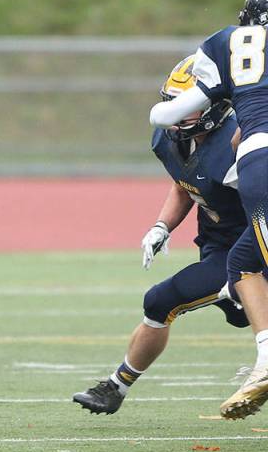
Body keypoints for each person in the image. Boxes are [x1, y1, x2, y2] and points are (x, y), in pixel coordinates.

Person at [74, 57, 247, 414]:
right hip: (217, 245)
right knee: (240, 313)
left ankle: (115, 388)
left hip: (249, 249)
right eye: (171, 101)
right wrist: (162, 226)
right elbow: (186, 183)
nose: (174, 113)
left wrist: (250, 267)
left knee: (160, 300)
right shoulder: (171, 140)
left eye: (186, 106)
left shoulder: (237, 146)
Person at [150, 0, 268, 419]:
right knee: (244, 264)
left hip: (261, 163)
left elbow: (167, 114)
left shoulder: (227, 43)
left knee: (250, 267)